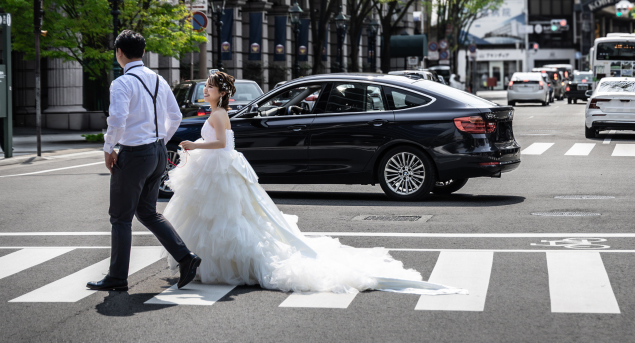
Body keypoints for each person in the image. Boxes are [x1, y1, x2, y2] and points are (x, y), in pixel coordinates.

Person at [163, 72, 466, 296]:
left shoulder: (218, 115)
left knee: (223, 218)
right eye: (205, 86)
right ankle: (209, 262)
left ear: (220, 92)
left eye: (208, 87)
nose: (205, 90)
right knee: (226, 218)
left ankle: (213, 263)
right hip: (220, 169)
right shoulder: (220, 113)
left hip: (218, 166)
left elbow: (223, 145)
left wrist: (194, 144)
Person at [88, 31, 201, 292]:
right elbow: (175, 116)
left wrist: (108, 148)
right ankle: (186, 258)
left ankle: (117, 277)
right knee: (148, 212)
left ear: (119, 52)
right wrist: (160, 140)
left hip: (135, 154)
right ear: (143, 52)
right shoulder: (158, 79)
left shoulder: (122, 83)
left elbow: (117, 120)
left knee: (120, 217)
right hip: (158, 153)